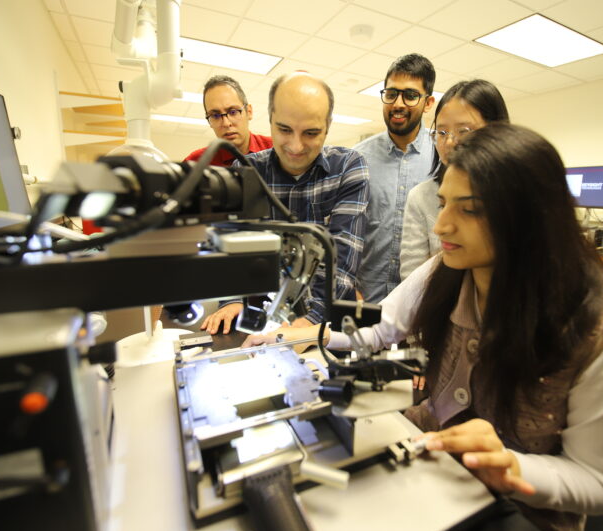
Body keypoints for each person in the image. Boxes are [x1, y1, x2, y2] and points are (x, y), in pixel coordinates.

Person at [244, 123, 603, 531]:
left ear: (531, 218)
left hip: (522, 513)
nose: (441, 226)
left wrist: (514, 467)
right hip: (437, 470)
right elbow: (380, 325)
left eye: (469, 209)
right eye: (443, 204)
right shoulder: (447, 268)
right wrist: (315, 335)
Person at [200, 72, 369, 334]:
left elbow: (343, 258)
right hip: (265, 320)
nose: (296, 146)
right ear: (269, 120)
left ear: (328, 125)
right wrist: (233, 299)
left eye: (311, 133)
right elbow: (231, 250)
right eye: (284, 129)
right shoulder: (246, 172)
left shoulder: (349, 167)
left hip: (327, 325)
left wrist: (309, 323)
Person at [400, 79, 508, 280]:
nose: (449, 142)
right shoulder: (422, 197)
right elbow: (412, 280)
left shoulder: (515, 193)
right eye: (441, 132)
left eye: (464, 131)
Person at [353, 54, 436, 303]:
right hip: (364, 300)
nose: (398, 103)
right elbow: (343, 230)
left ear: (428, 102)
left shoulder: (442, 156)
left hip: (420, 301)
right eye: (391, 94)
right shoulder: (357, 159)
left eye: (410, 95)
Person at [184, 75, 272, 166]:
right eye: (215, 115)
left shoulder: (278, 151)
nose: (226, 123)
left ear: (249, 112)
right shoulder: (195, 163)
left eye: (233, 112)